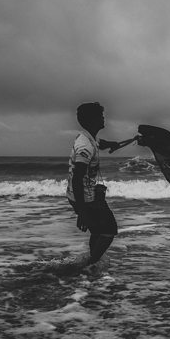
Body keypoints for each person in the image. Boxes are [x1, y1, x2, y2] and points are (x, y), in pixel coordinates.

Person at [67, 102, 121, 265]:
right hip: (86, 199)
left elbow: (99, 143)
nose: (103, 118)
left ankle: (92, 261)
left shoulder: (87, 137)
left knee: (98, 230)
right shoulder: (85, 147)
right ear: (92, 120)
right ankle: (89, 265)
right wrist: (82, 213)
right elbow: (78, 178)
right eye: (100, 116)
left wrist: (111, 144)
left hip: (79, 196)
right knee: (109, 230)